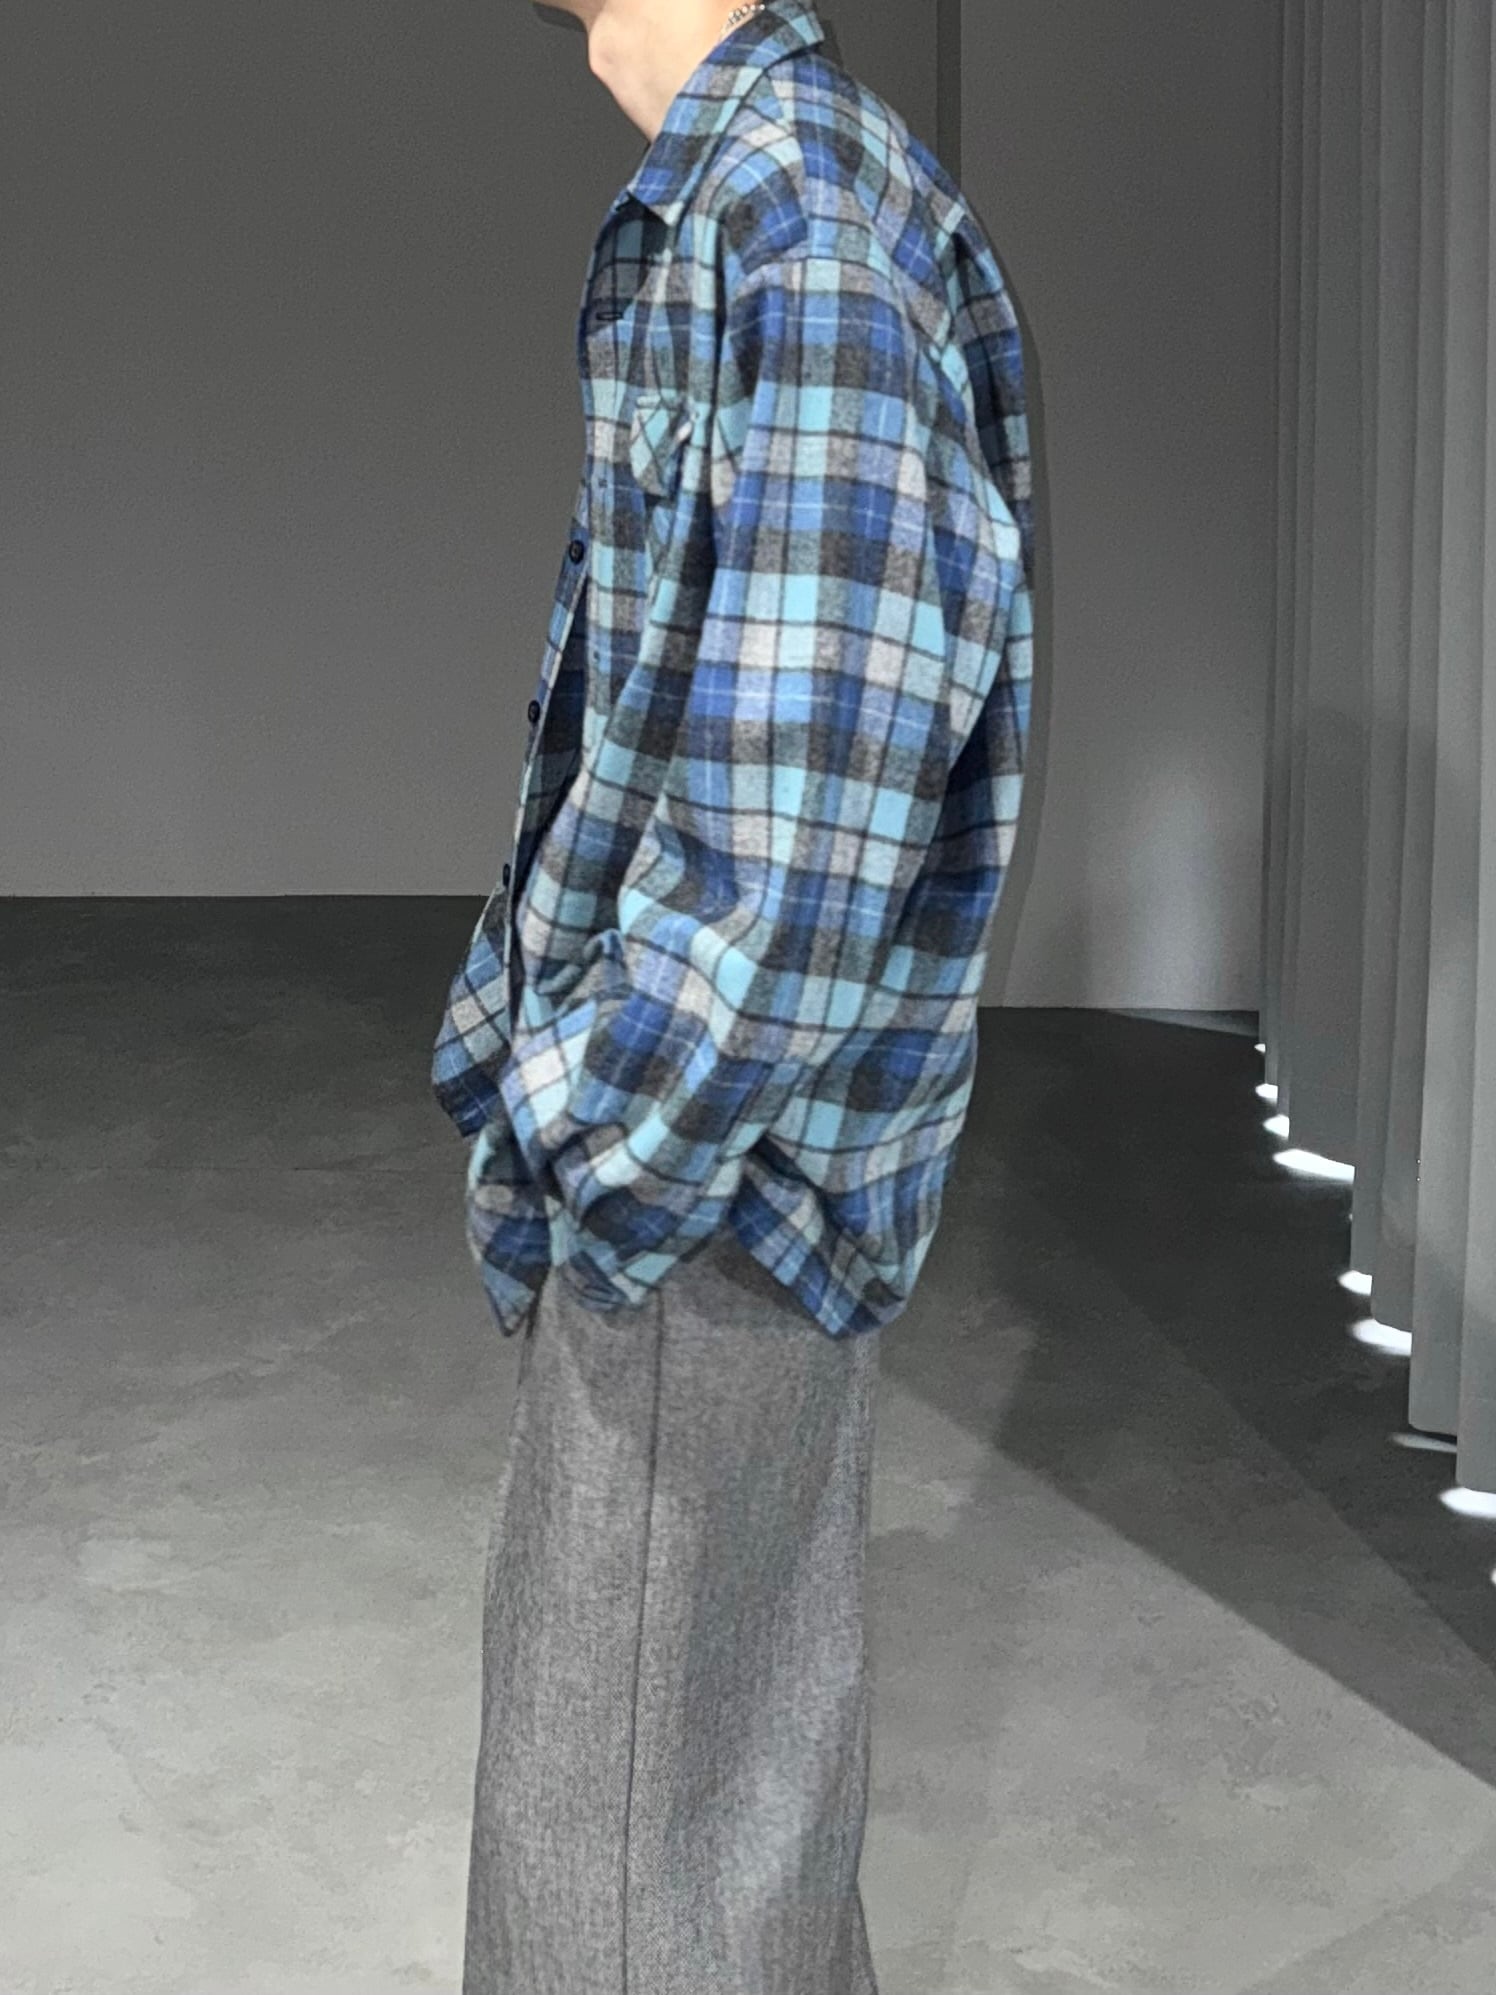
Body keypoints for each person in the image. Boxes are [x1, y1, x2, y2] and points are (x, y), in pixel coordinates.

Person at [430, 2, 1035, 1988]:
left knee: (619, 1871)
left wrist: (609, 1138)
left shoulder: (798, 207)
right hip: (723, 1175)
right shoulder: (760, 192)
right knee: (711, 1828)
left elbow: (813, 799)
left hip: (713, 1191)